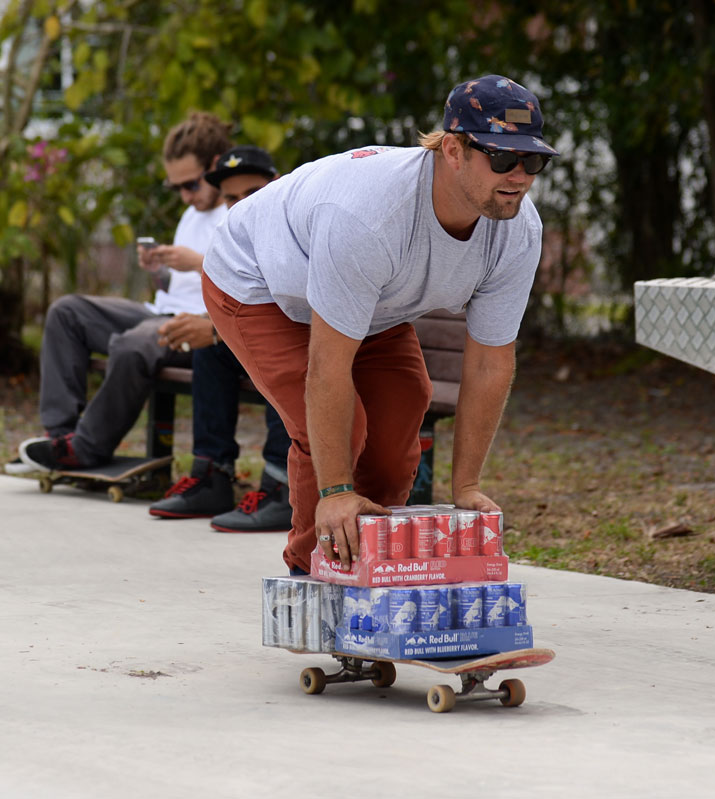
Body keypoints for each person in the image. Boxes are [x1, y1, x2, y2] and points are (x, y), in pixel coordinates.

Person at [202, 74, 558, 574]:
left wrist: (466, 488)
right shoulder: (371, 215)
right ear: (453, 150)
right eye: (502, 158)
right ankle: (313, 579)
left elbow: (490, 362)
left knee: (399, 416)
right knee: (341, 432)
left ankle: (372, 566)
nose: (519, 176)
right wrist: (335, 492)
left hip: (365, 301)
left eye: (534, 161)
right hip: (257, 283)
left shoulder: (516, 231)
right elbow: (327, 367)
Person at [12, 112, 231, 474]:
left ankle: (86, 447)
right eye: (175, 187)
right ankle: (59, 438)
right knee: (67, 312)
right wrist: (160, 271)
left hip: (201, 327)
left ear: (214, 165)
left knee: (134, 344)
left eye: (190, 185)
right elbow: (177, 290)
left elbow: (252, 281)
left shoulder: (239, 207)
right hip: (162, 313)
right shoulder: (193, 212)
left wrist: (196, 262)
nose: (184, 196)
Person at [147, 145, 293, 533]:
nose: (241, 204)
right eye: (231, 198)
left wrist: (213, 329)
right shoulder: (236, 236)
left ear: (276, 184)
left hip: (322, 344)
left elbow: (297, 314)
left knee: (283, 359)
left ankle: (283, 486)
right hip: (278, 339)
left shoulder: (295, 226)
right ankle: (212, 474)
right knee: (210, 352)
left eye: (252, 192)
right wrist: (210, 330)